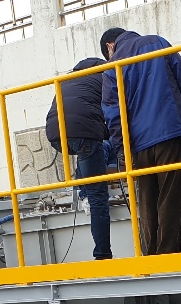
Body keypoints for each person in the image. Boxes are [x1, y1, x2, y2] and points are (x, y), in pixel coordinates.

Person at [100, 27, 181, 255]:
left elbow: (113, 113)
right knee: (172, 196)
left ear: (110, 46)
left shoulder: (112, 65)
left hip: (138, 144)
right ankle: (168, 254)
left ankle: (150, 256)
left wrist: (122, 150)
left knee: (146, 200)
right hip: (170, 132)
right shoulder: (158, 42)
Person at [46, 57, 115, 260]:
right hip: (82, 131)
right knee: (98, 195)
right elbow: (115, 114)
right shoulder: (108, 75)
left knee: (87, 150)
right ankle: (103, 255)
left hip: (55, 134)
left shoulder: (69, 78)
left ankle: (83, 192)